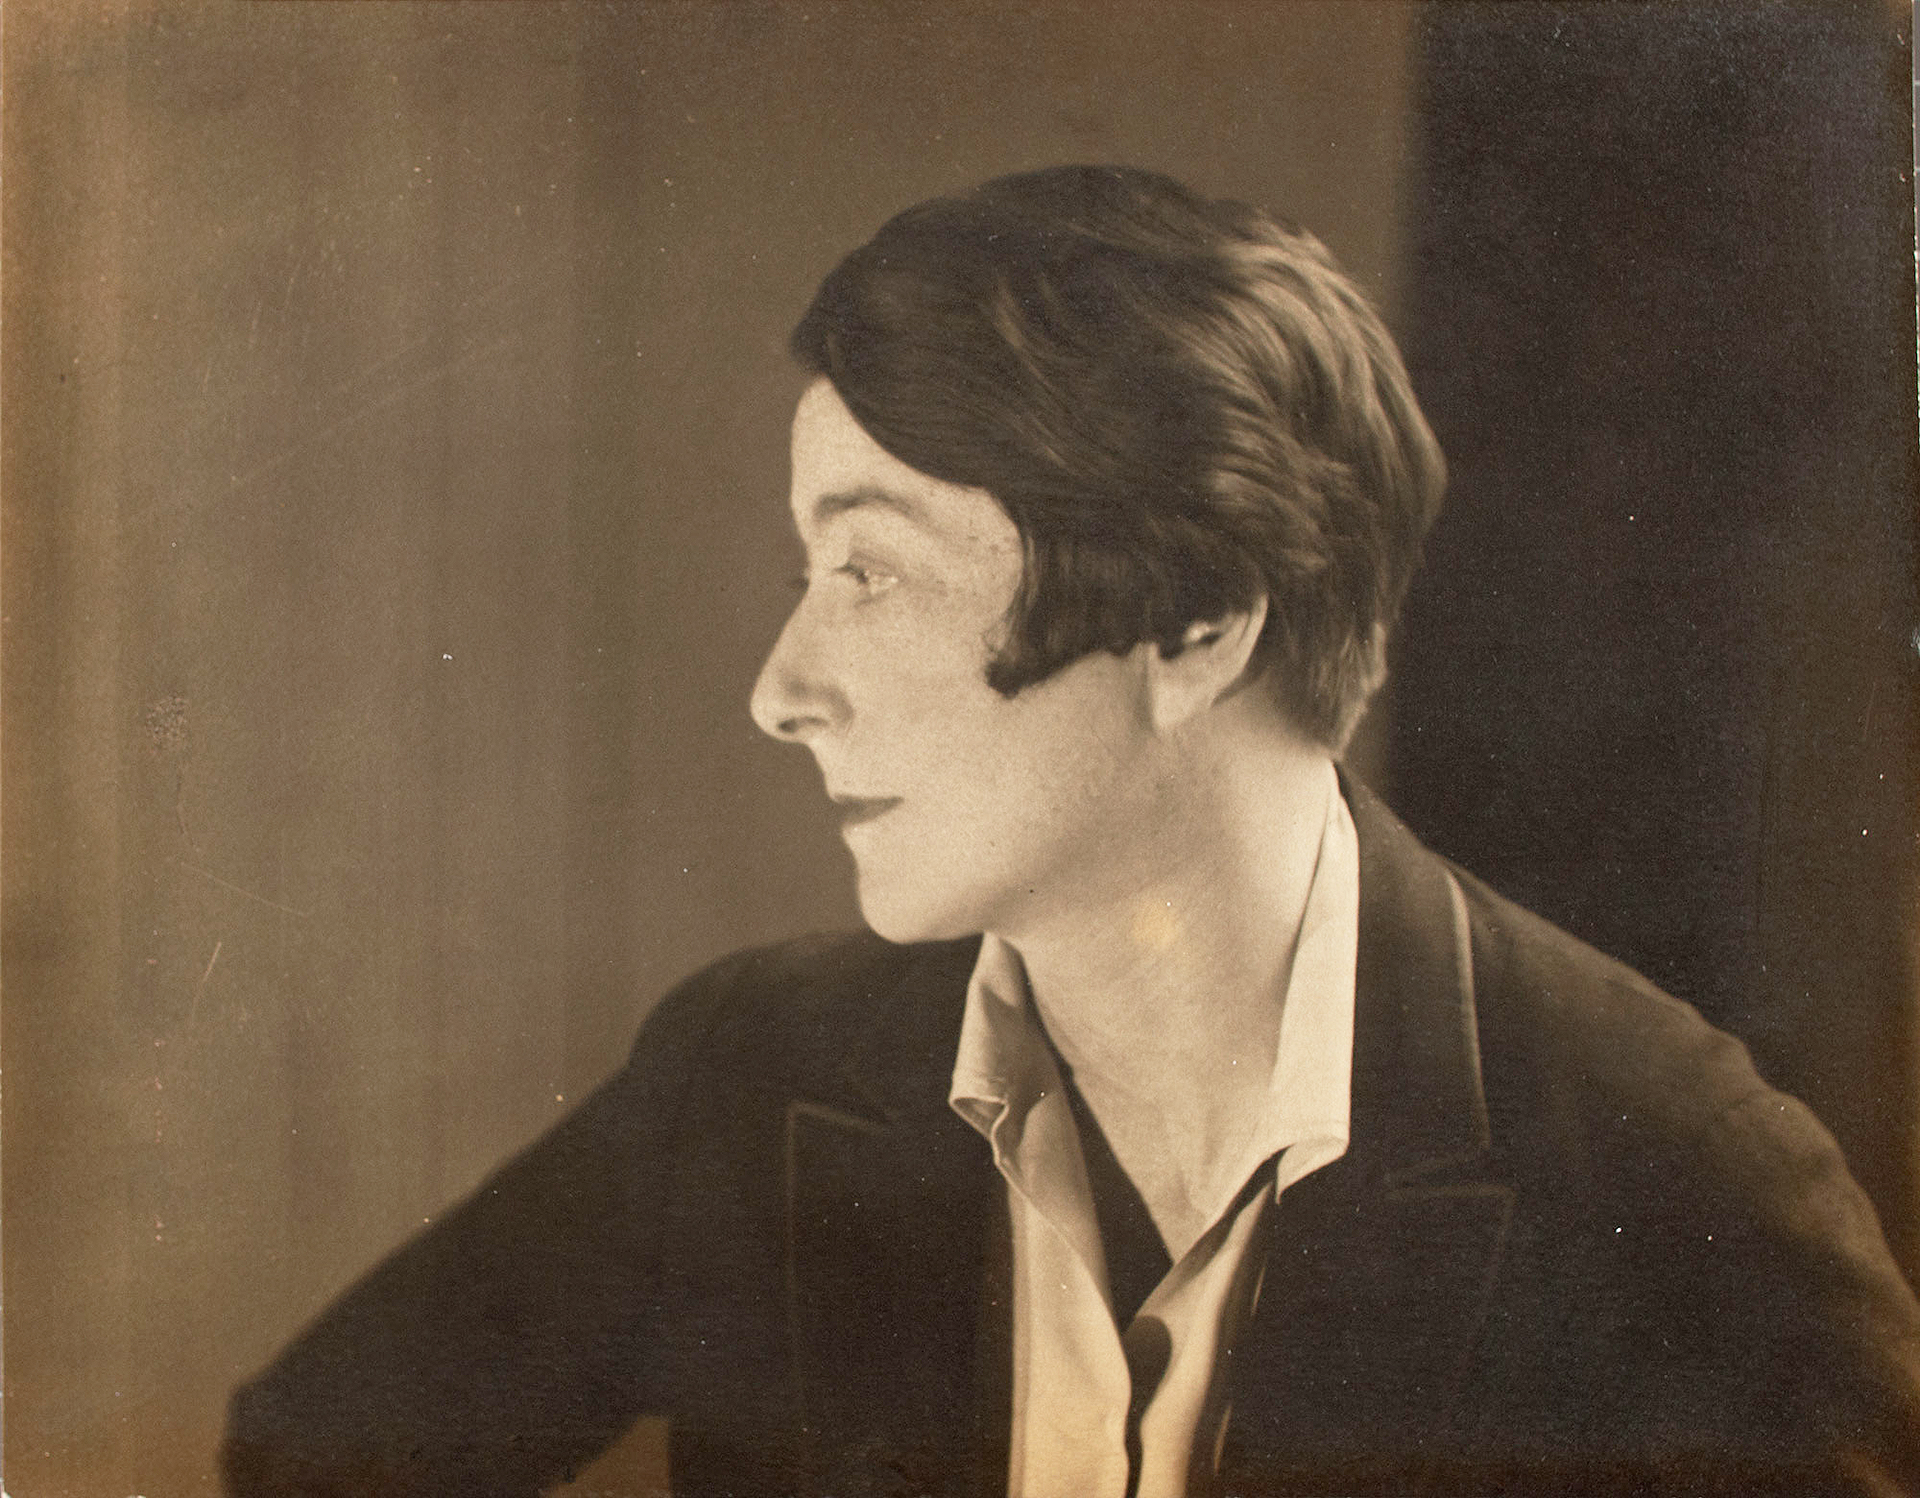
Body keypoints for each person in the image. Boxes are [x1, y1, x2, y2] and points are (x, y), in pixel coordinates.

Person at [221, 166, 1920, 1497]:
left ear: (1198, 620)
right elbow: (305, 1457)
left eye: (870, 567)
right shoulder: (747, 1074)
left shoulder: (1677, 1185)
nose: (780, 687)